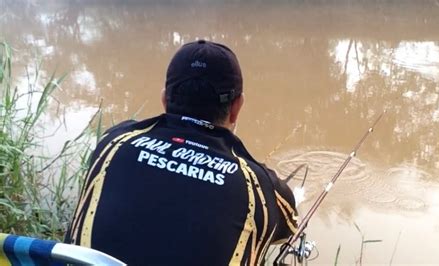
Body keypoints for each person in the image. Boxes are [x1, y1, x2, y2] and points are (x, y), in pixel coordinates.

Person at [64, 40, 297, 265]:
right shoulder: (259, 186)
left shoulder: (113, 143)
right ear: (237, 107)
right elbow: (287, 231)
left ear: (165, 99)